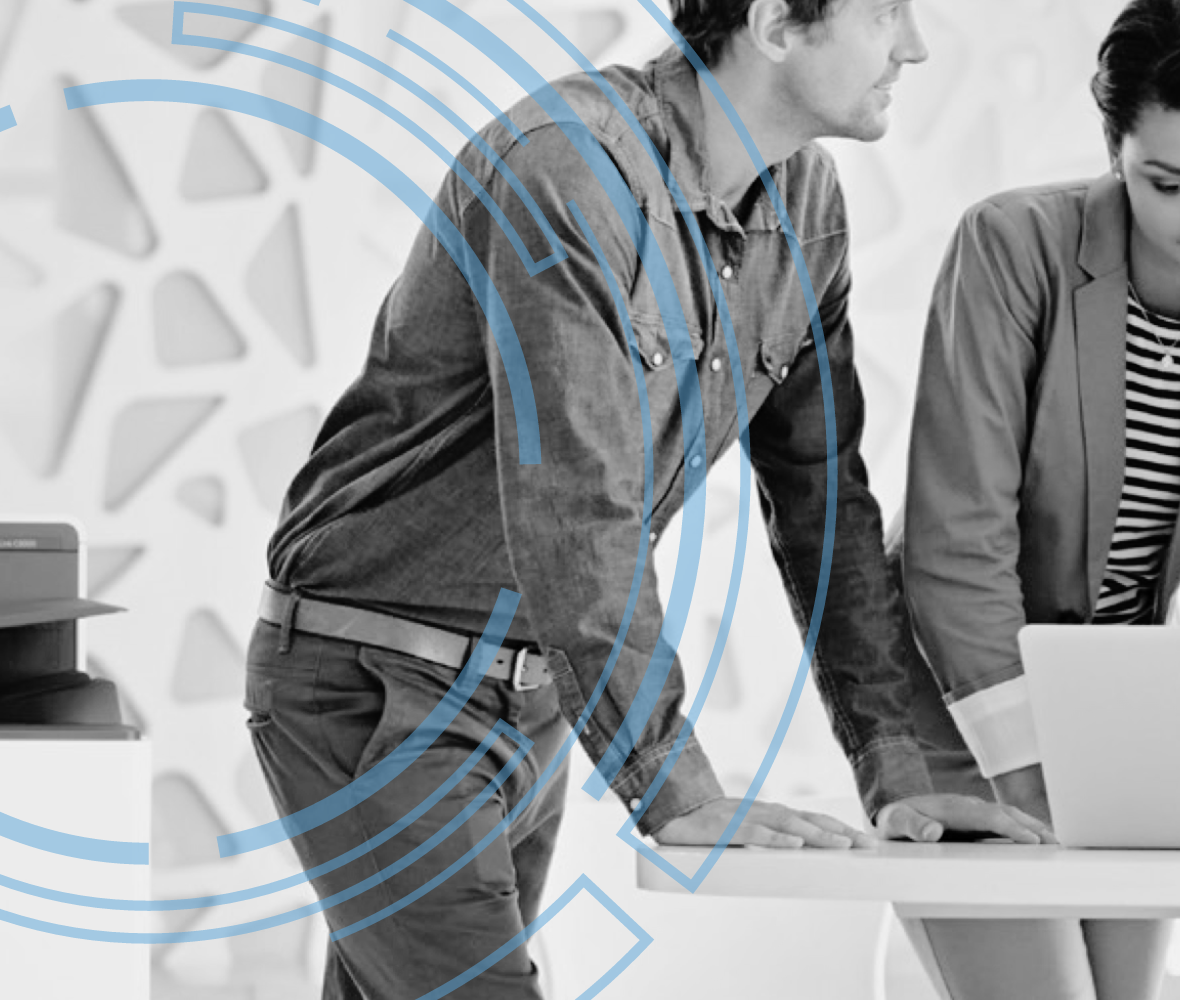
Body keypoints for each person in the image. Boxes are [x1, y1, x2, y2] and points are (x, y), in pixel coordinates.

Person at [247, 1, 1041, 996]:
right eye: (884, 12)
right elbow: (578, 499)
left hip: (532, 694)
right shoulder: (564, 171)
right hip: (380, 680)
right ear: (776, 25)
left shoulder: (807, 209)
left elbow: (825, 505)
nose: (914, 45)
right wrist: (671, 784)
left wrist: (905, 768)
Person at [892, 1, 1180, 996]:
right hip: (958, 685)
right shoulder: (1011, 246)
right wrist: (1035, 774)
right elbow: (956, 542)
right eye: (1168, 182)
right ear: (1115, 151)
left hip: (1121, 694)